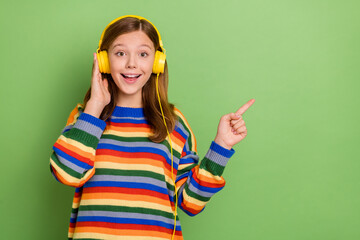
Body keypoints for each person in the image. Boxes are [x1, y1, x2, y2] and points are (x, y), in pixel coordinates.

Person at [49, 15, 255, 240]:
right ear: (103, 60)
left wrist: (221, 147)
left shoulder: (173, 124)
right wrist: (96, 105)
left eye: (143, 54)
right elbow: (66, 173)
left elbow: (191, 203)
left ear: (157, 62)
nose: (131, 64)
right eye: (120, 53)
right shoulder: (86, 117)